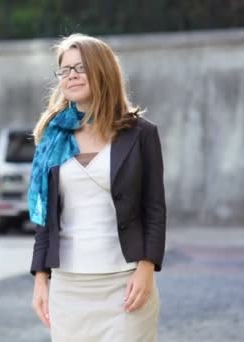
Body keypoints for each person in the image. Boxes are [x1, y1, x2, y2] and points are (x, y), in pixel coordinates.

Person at [28, 33, 166, 341]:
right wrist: (41, 278)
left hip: (125, 283)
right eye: (65, 70)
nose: (72, 75)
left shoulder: (140, 134)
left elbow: (154, 207)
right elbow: (44, 216)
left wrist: (147, 268)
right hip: (69, 286)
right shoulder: (52, 138)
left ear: (102, 71)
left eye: (81, 67)